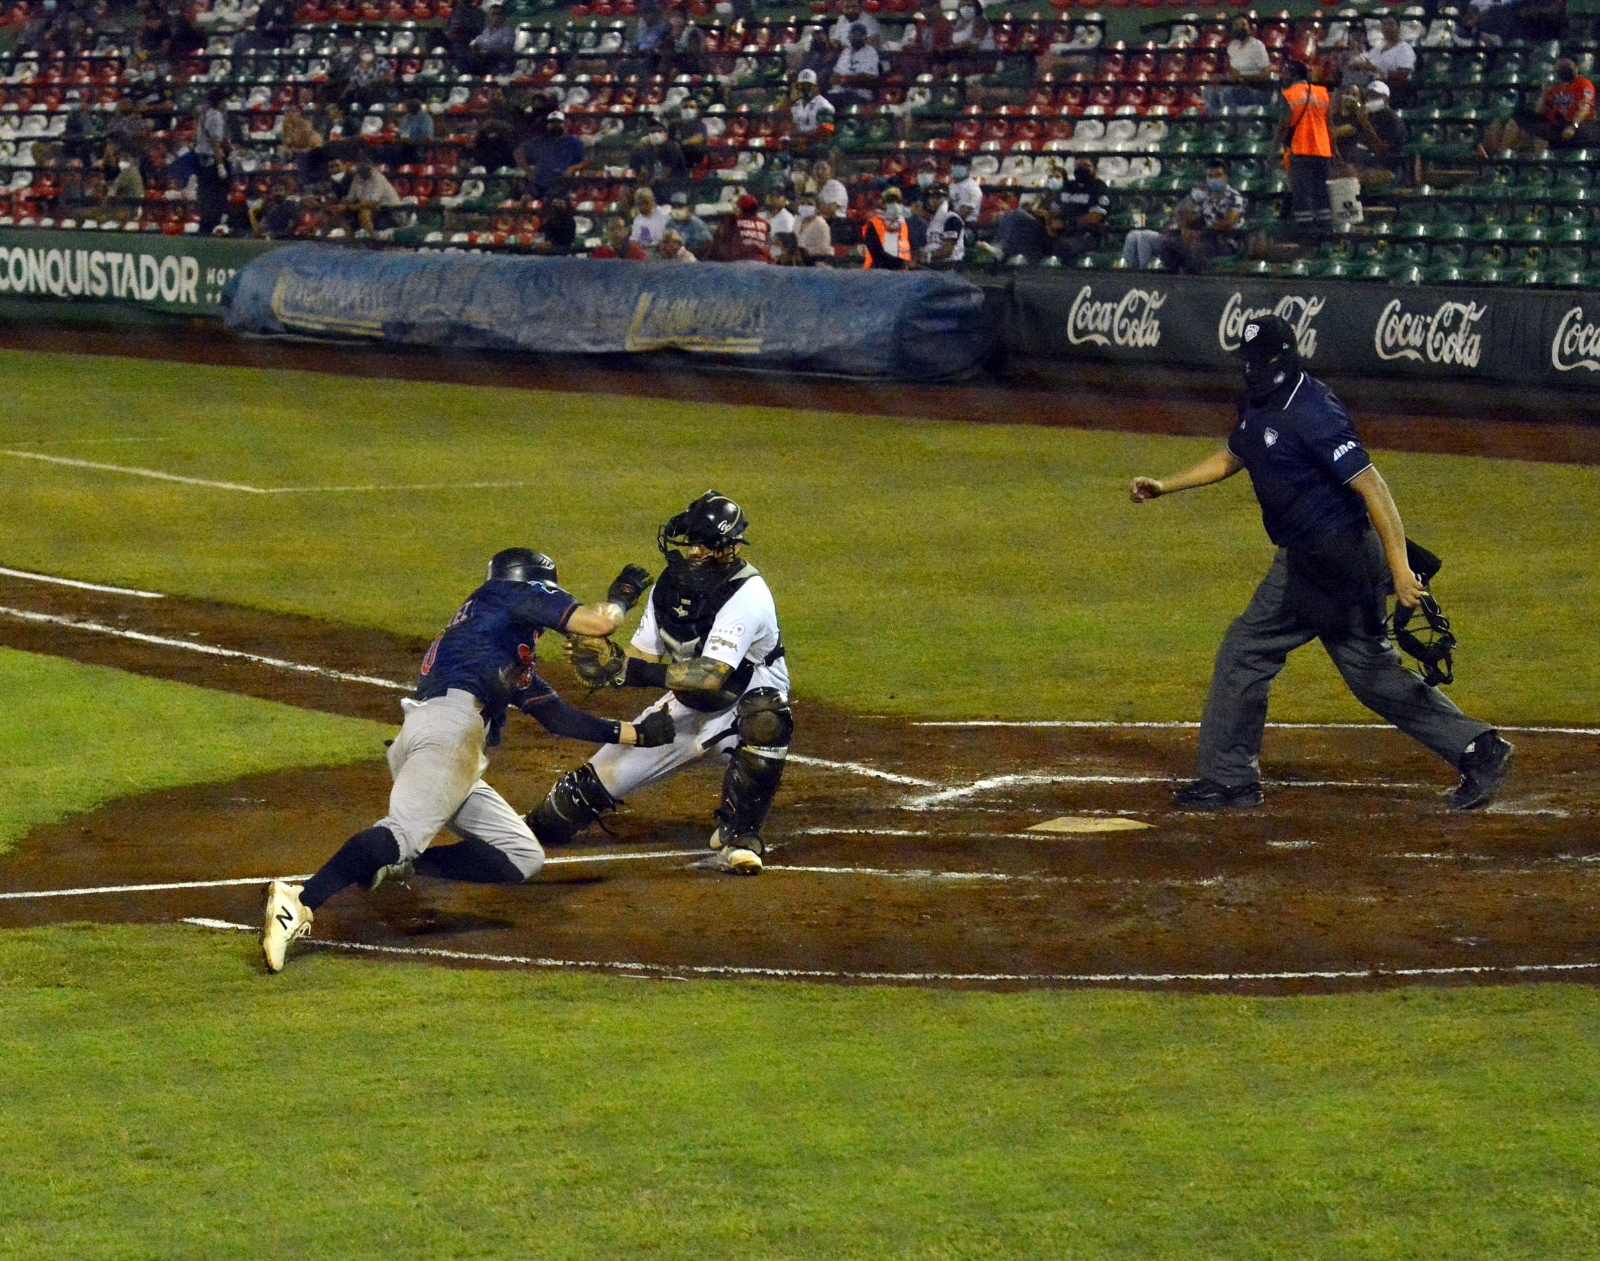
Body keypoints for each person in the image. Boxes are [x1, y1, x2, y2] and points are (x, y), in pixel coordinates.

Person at [1127, 314, 1513, 815]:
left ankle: (1230, 781)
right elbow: (1233, 454)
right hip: (1314, 557)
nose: (1247, 369)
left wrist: (1399, 569)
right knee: (1368, 670)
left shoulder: (1314, 410)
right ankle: (1479, 749)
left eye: (1254, 360)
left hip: (1334, 557)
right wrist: (1166, 484)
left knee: (1247, 650)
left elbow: (1373, 487)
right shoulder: (1260, 402)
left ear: (1277, 361)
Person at [261, 552, 671, 972]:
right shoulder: (511, 592)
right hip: (447, 736)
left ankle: (401, 865)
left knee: (521, 855)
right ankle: (300, 900)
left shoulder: (489, 639)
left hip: (446, 743)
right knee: (399, 831)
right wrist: (621, 599)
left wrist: (634, 734)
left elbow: (554, 714)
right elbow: (600, 622)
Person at [526, 494, 792, 877]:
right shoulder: (668, 588)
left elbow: (711, 676)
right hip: (687, 707)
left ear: (731, 548)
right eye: (691, 544)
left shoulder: (747, 592)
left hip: (741, 707)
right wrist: (605, 664)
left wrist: (623, 669)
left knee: (766, 715)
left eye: (706, 545)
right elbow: (642, 660)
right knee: (564, 810)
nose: (695, 553)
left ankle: (740, 836)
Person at [1121, 164, 1245, 272]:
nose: (1214, 179)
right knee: (1168, 243)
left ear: (1226, 177)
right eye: (1210, 176)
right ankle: (1156, 279)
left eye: (1218, 175)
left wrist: (1200, 233)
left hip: (1224, 242)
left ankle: (1193, 282)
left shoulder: (1234, 197)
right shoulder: (1207, 198)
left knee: (1195, 246)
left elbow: (1228, 223)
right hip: (1204, 238)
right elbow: (1190, 217)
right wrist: (1185, 227)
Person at [1480, 57, 1598, 154]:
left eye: (1568, 67)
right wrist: (1544, 94)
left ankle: (1541, 165)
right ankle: (1503, 155)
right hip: (1554, 124)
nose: (1565, 70)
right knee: (1517, 119)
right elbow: (1540, 112)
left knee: (1543, 138)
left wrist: (1573, 126)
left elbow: (1585, 107)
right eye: (1561, 68)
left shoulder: (1584, 84)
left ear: (1577, 68)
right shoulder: (1556, 87)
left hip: (1577, 126)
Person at [1278, 62, 1334, 240]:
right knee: (1321, 191)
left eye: (1286, 72)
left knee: (1302, 192)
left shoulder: (1288, 95)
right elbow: (1329, 125)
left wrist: (1273, 152)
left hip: (1301, 149)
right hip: (1323, 150)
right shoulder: (1323, 93)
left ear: (1294, 74)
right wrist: (1336, 153)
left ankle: (1306, 231)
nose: (1283, 76)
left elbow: (1283, 127)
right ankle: (1326, 229)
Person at [1333, 79, 1408, 189]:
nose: (1371, 99)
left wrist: (1365, 124)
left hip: (1385, 168)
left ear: (1386, 99)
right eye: (1370, 95)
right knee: (1335, 172)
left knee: (1348, 175)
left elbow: (1382, 151)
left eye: (1376, 96)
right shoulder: (1369, 116)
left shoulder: (1393, 120)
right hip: (1362, 163)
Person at [1204, 17, 1273, 115]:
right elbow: (1234, 74)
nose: (1239, 28)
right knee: (1209, 90)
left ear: (1250, 28)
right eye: (1236, 25)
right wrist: (1223, 79)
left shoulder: (1257, 47)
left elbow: (1266, 76)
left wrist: (1243, 79)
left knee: (1227, 93)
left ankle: (1232, 122)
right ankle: (1216, 121)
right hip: (1240, 87)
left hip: (1257, 89)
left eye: (1243, 24)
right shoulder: (1232, 47)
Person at [1050, 156, 1110, 261]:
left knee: (1061, 246)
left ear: (1096, 169)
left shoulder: (1100, 189)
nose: (1081, 169)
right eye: (1078, 166)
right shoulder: (1068, 187)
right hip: (1060, 232)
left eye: (1086, 166)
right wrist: (1049, 225)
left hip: (1085, 235)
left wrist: (1067, 223)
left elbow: (1095, 218)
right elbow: (1053, 211)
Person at [516, 111, 586, 199]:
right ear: (548, 125)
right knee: (526, 199)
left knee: (558, 201)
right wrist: (528, 171)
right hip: (540, 181)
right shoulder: (540, 141)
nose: (555, 125)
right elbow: (518, 152)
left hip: (563, 182)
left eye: (558, 123)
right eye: (552, 123)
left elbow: (585, 161)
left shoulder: (575, 142)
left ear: (564, 124)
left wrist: (573, 168)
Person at [1353, 17, 1415, 103]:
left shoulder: (1404, 48)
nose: (1387, 27)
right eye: (1384, 24)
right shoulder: (1378, 48)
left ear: (1398, 27)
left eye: (1391, 24)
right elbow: (1366, 62)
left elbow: (1403, 75)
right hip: (1374, 89)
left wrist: (1377, 70)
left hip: (1396, 91)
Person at [706, 193, 773, 262]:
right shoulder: (765, 224)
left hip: (741, 263)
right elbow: (768, 245)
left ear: (740, 209)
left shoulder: (733, 221)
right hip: (764, 262)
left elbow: (722, 243)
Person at [343, 157, 401, 233]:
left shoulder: (378, 178)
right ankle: (348, 241)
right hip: (374, 212)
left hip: (389, 213)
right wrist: (342, 205)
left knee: (364, 213)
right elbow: (350, 198)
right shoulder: (357, 178)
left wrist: (353, 207)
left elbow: (372, 203)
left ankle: (371, 240)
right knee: (339, 213)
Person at [862, 185, 913, 268]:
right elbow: (877, 255)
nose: (895, 204)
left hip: (903, 276)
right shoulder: (873, 224)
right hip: (875, 274)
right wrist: (901, 263)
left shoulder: (904, 225)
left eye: (898, 201)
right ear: (882, 204)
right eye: (890, 201)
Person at [832, 24, 882, 108]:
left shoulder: (870, 52)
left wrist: (847, 80)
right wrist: (836, 79)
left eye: (859, 35)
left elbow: (868, 77)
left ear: (865, 38)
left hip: (860, 94)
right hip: (839, 92)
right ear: (849, 37)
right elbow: (835, 74)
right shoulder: (846, 52)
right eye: (854, 35)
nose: (856, 38)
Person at [789, 69, 836, 155]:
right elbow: (791, 127)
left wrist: (805, 139)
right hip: (799, 143)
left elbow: (826, 132)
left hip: (817, 144)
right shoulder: (796, 105)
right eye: (802, 86)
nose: (805, 89)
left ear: (816, 87)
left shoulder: (824, 105)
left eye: (808, 86)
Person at [468, 3, 517, 76]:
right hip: (484, 64)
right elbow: (478, 42)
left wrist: (489, 52)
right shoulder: (486, 31)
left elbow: (507, 50)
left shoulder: (507, 32)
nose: (495, 17)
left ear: (503, 17)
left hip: (500, 65)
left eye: (498, 14)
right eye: (492, 14)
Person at [921, 185, 965, 264]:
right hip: (934, 266)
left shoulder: (951, 218)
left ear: (946, 199)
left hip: (950, 266)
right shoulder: (933, 221)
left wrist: (926, 256)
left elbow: (947, 251)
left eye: (938, 197)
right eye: (931, 197)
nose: (934, 201)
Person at [797, 194, 834, 262]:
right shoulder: (797, 221)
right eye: (802, 203)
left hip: (820, 260)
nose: (805, 206)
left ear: (817, 208)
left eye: (809, 204)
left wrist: (806, 252)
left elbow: (824, 247)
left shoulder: (821, 224)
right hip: (802, 259)